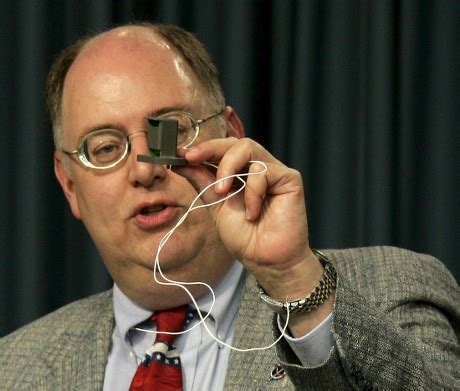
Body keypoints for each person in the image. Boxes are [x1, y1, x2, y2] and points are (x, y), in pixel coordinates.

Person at [0, 22, 458, 390]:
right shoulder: (13, 368)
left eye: (170, 131)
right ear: (69, 186)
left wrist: (294, 279)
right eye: (104, 148)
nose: (145, 169)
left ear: (232, 136)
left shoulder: (391, 290)